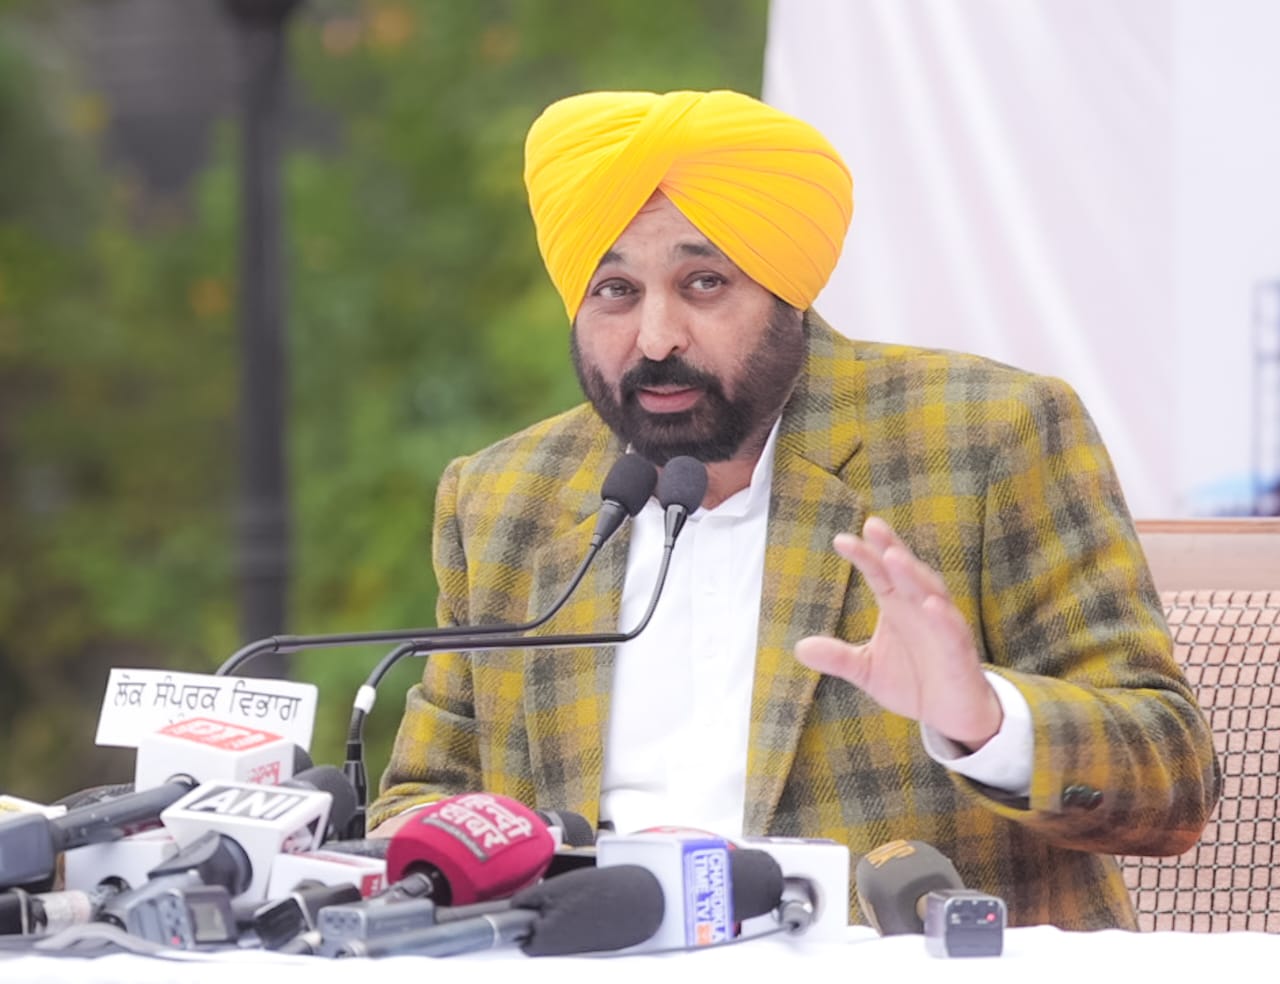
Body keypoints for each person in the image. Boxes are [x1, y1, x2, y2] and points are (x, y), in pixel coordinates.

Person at [368, 89, 1219, 930]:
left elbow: (1174, 784)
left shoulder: (987, 436)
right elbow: (422, 801)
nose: (656, 337)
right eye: (615, 290)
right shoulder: (503, 498)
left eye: (704, 283)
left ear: (787, 293)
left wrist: (986, 720)